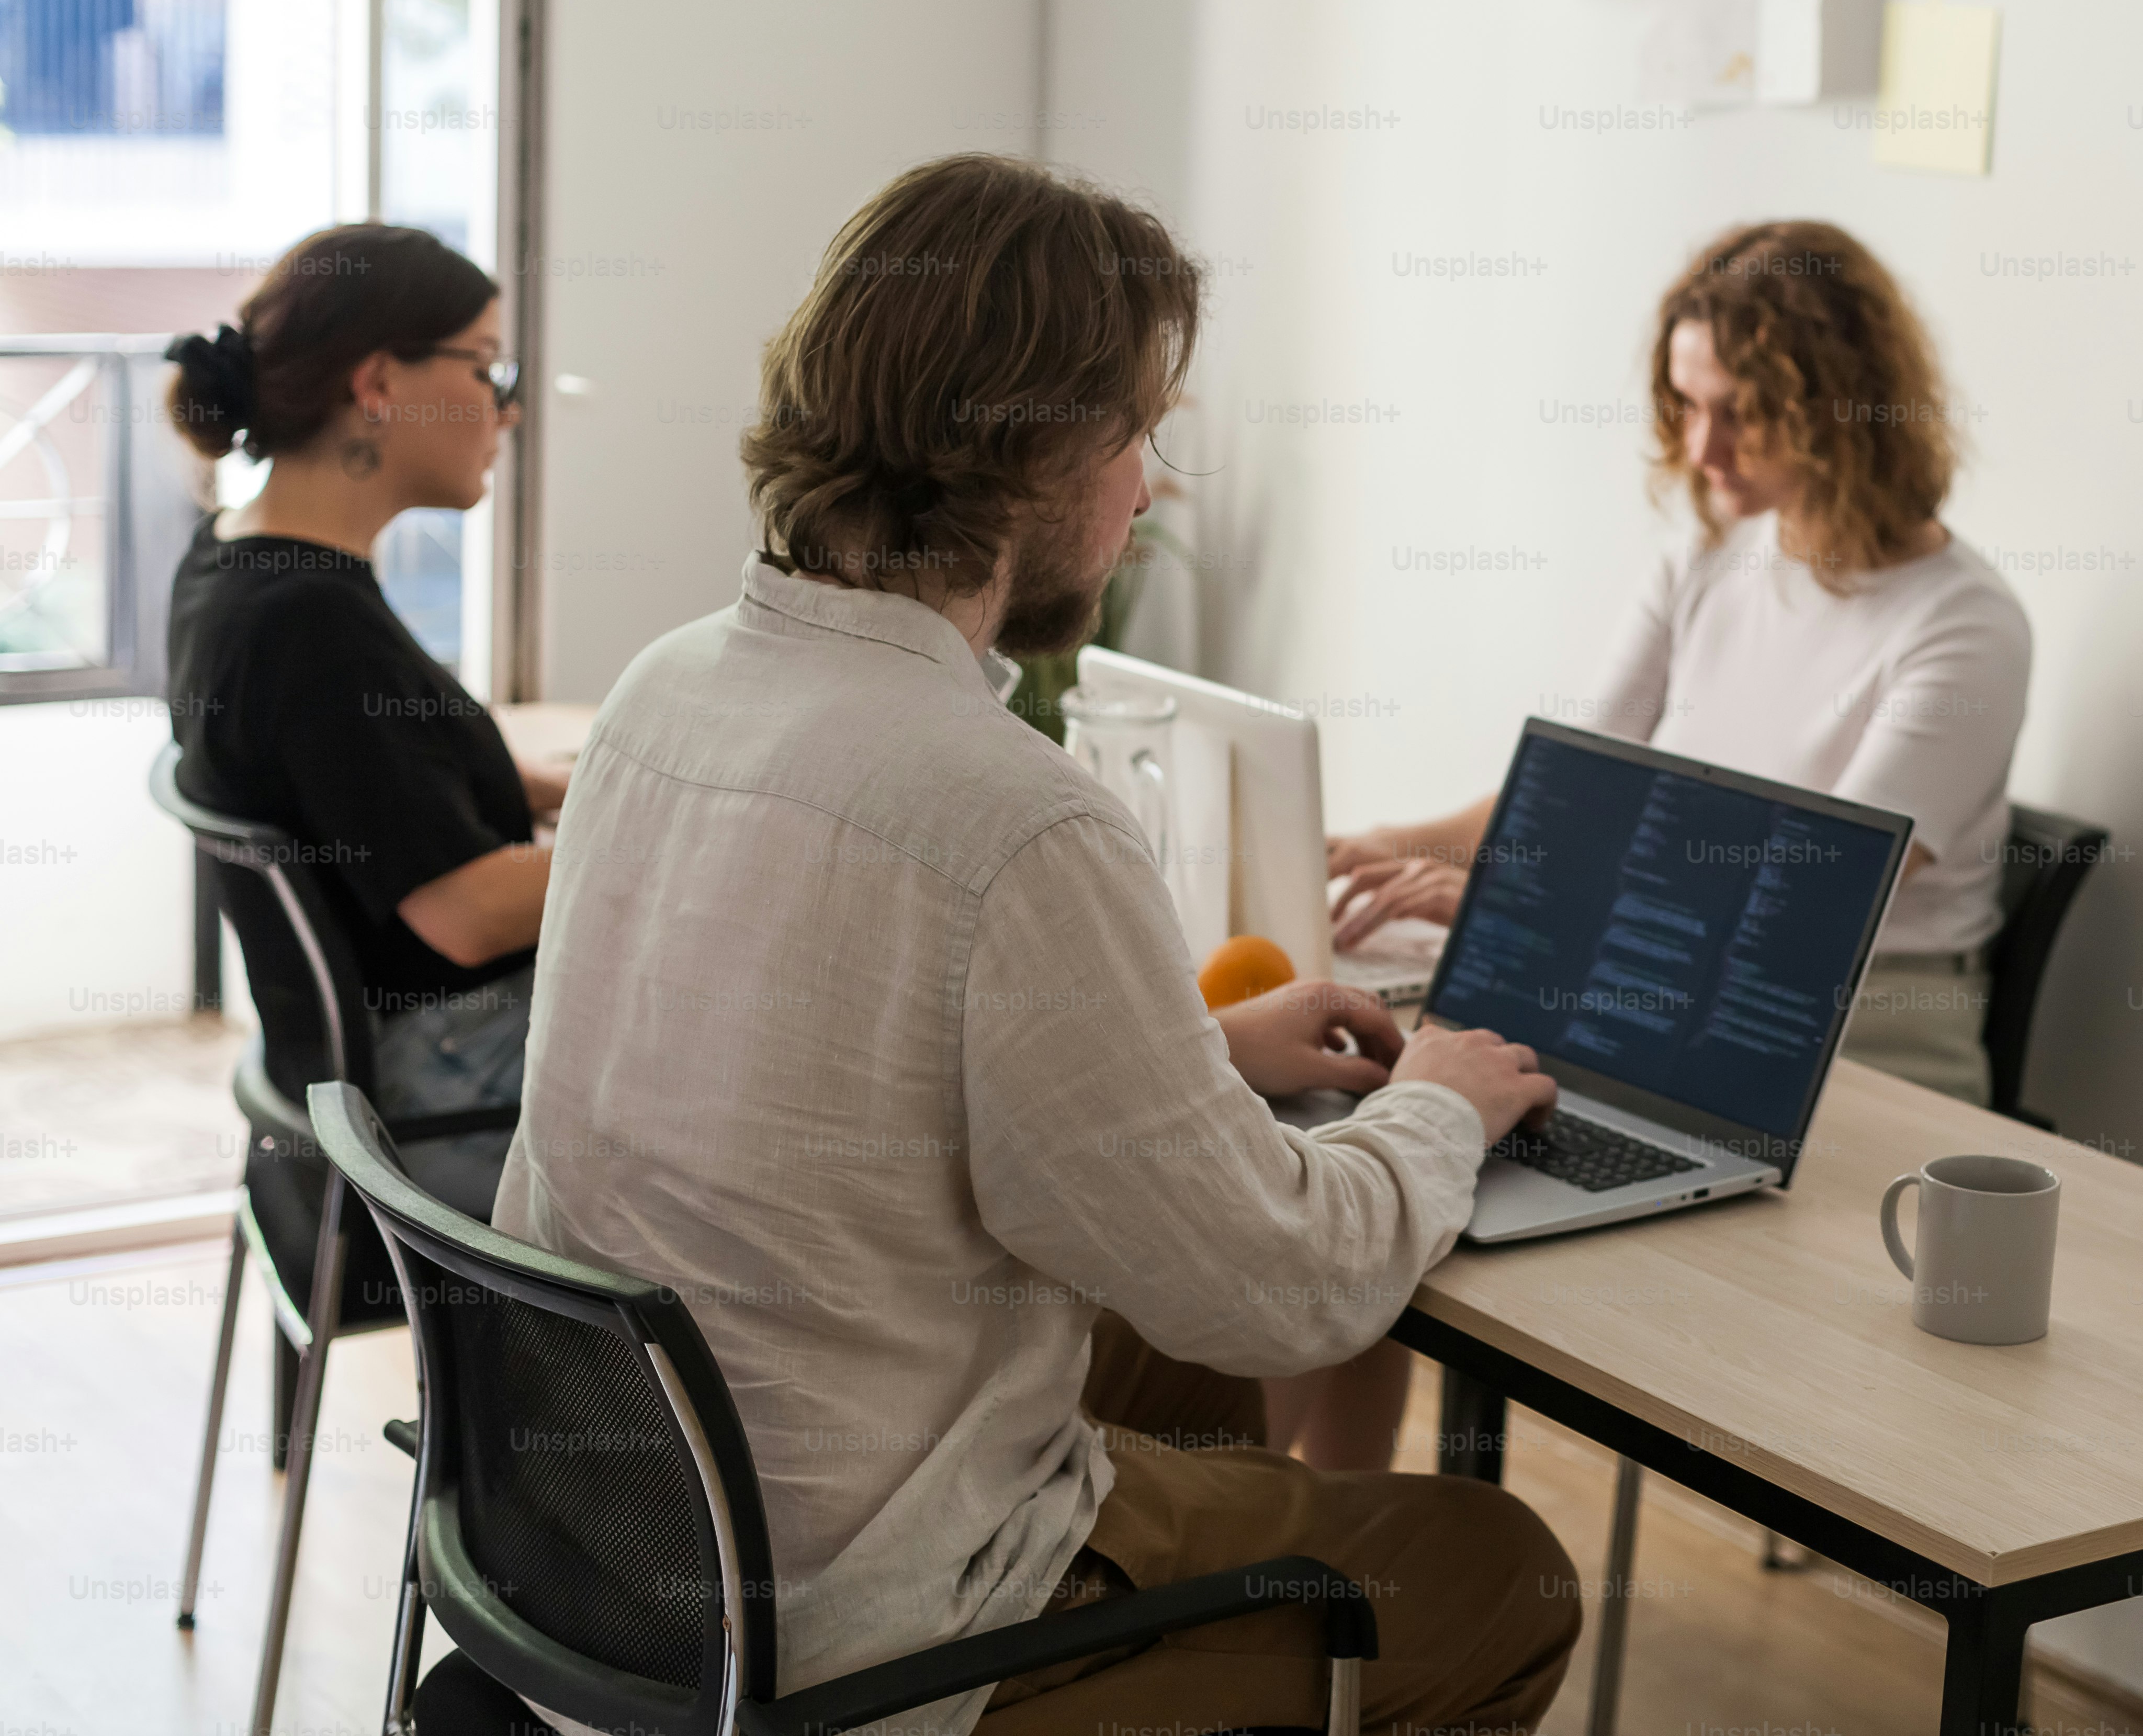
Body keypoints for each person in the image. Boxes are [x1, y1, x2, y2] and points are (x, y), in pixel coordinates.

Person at [492, 153, 1580, 1736]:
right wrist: (1445, 1104)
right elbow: (1281, 1290)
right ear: (1044, 449)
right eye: (1140, 433)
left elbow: (825, 1084)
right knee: (1500, 1571)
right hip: (845, 1629)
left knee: (1183, 1376)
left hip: (616, 1541)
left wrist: (1188, 1058)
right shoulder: (1012, 816)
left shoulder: (666, 689)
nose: (1152, 489)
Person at [1331, 219, 2033, 1107]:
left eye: (1741, 413)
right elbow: (1577, 798)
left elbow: (1809, 912)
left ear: (1839, 409)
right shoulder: (1704, 559)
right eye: (1688, 405)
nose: (1703, 451)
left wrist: (1519, 905)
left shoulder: (1966, 627)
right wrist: (1393, 847)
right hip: (1665, 989)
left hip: (1868, 1032)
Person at [164, 226, 554, 1214]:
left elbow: (368, 781)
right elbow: (466, 914)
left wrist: (576, 782)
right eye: (486, 367)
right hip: (435, 1101)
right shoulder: (311, 623)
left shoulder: (234, 559)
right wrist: (668, 831)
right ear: (379, 385)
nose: (506, 410)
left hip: (344, 1079)